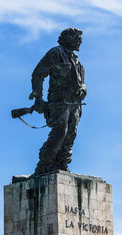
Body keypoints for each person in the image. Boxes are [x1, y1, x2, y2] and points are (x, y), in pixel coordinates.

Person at [29, 28, 87, 175]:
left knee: (71, 134)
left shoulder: (77, 61)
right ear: (68, 38)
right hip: (59, 102)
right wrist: (38, 98)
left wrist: (83, 90)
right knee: (60, 132)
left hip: (75, 104)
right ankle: (45, 164)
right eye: (77, 38)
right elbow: (38, 74)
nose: (80, 41)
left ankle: (62, 163)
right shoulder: (56, 53)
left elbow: (83, 82)